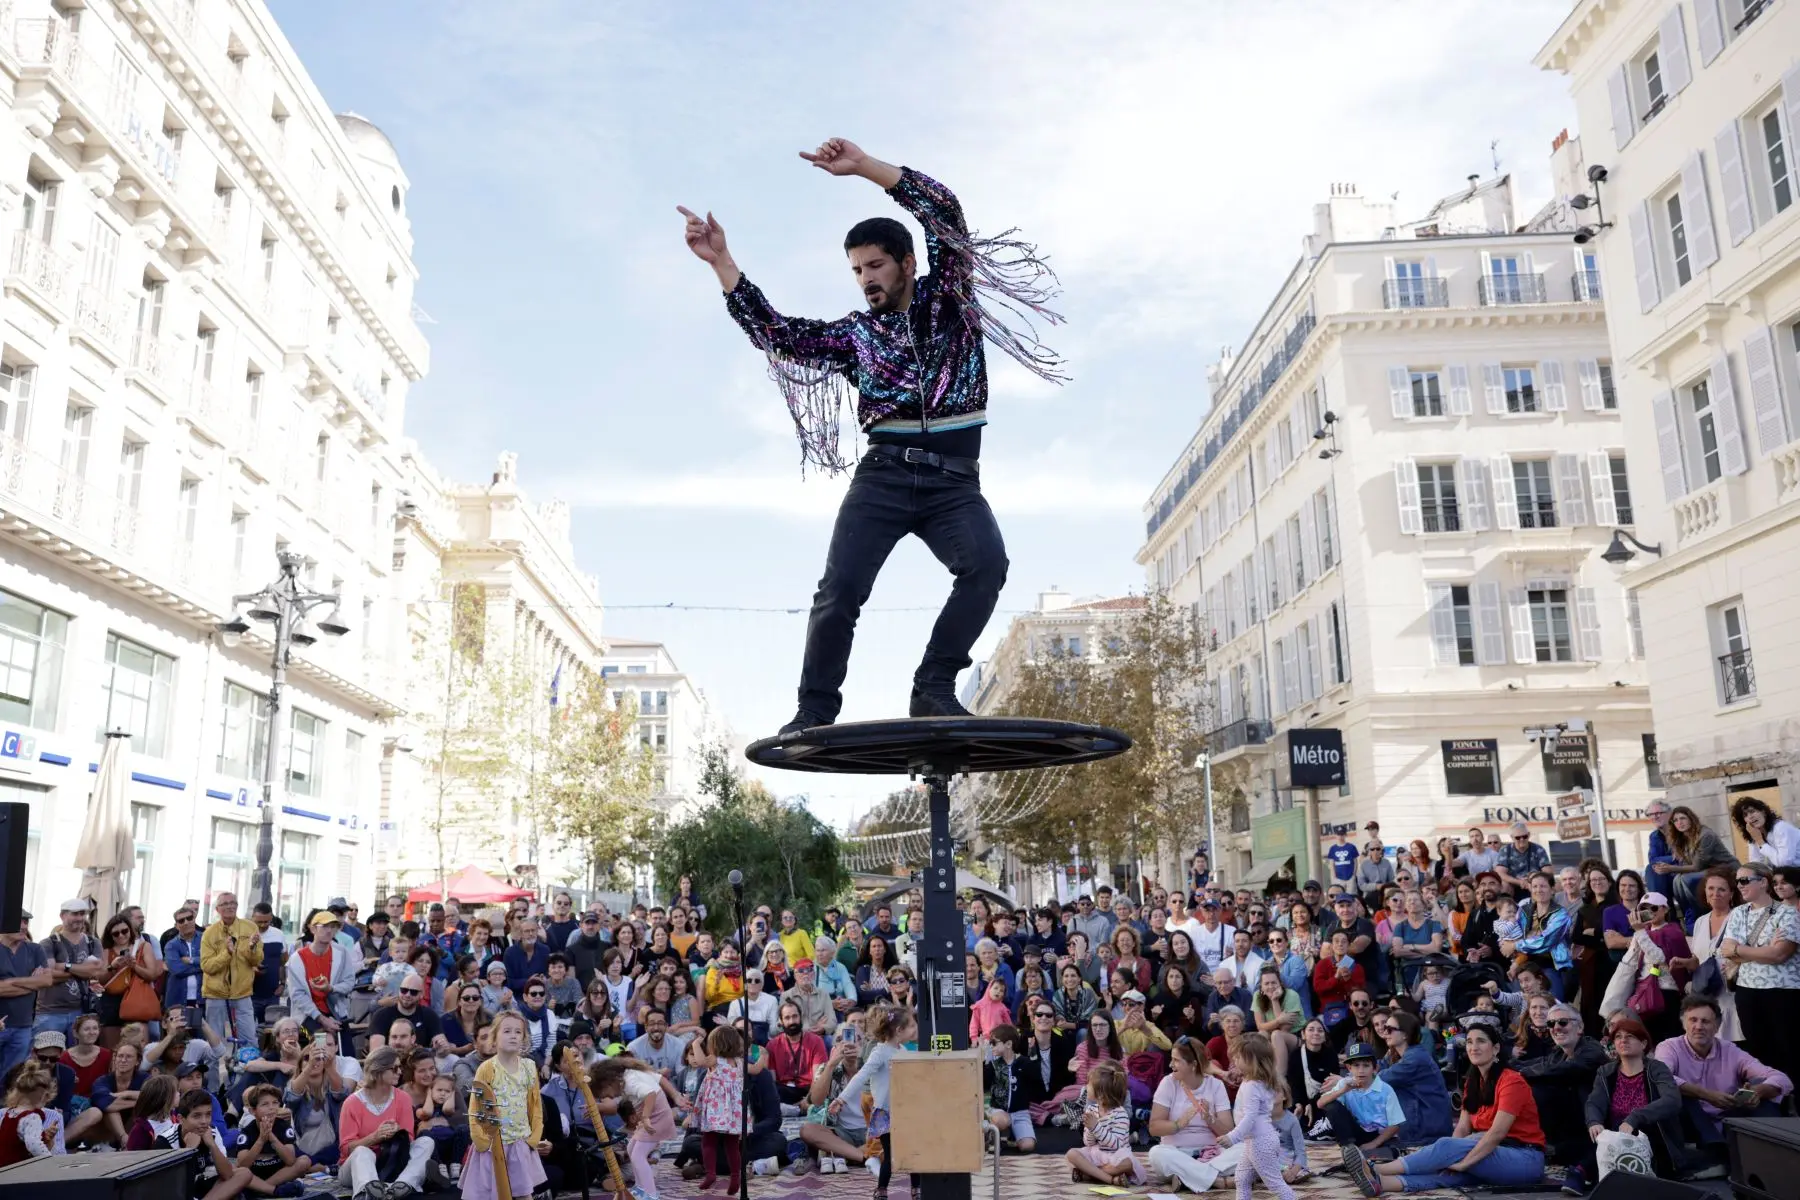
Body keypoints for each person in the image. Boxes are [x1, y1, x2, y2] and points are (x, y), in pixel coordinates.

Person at [684, 138, 1064, 733]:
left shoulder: (951, 301)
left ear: (908, 263)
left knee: (987, 566)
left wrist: (865, 168)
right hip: (884, 477)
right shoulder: (856, 335)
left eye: (876, 265)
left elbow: (945, 211)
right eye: (857, 270)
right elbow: (777, 334)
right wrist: (722, 264)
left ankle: (934, 686)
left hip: (954, 484)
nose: (866, 279)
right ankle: (815, 709)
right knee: (839, 592)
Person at [1343, 1021, 1546, 1195]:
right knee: (1451, 1173)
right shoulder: (1473, 1082)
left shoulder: (1512, 1081)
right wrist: (1448, 1160)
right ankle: (1382, 1183)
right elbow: (1463, 1128)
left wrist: (1461, 1160)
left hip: (1524, 1158)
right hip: (1495, 1152)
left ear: (1495, 1049)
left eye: (1481, 1041)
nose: (1473, 1047)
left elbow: (1497, 1133)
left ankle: (1376, 1169)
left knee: (1448, 1150)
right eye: (1469, 1042)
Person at [1655, 994, 1790, 1157]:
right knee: (1680, 1094)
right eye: (1693, 1020)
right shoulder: (1669, 1047)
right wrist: (1706, 1095)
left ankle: (1777, 1150)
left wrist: (1757, 1092)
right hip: (1689, 1123)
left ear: (1717, 1026)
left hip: (1726, 1119)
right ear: (1683, 1023)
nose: (1698, 1026)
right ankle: (1716, 1151)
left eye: (1706, 1021)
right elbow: (1662, 1079)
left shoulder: (1730, 1050)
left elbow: (1782, 1079)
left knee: (1764, 1091)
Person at [1573, 1017, 1689, 1194]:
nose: (1623, 1040)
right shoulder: (1606, 1071)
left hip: (1653, 1138)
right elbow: (1594, 1102)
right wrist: (1594, 1121)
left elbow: (1672, 1100)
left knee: (1636, 1130)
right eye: (1618, 1037)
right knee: (1601, 1132)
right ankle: (1585, 1172)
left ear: (1643, 1044)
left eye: (1630, 1036)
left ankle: (1583, 1171)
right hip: (1615, 1134)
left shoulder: (1657, 1069)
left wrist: (1635, 1117)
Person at [1720, 860, 1800, 1085]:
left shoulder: (1788, 913)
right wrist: (1762, 950)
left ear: (1764, 882)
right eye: (1737, 882)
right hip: (1748, 991)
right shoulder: (1737, 913)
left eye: (1745, 880)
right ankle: (1769, 1105)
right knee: (1758, 1051)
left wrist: (1741, 950)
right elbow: (1727, 951)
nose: (1740, 886)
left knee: (1789, 1051)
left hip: (1783, 991)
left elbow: (1780, 955)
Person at [1515, 1002, 1607, 1172]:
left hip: (1594, 1125)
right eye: (1551, 1024)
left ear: (1579, 1027)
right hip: (1569, 1125)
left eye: (1562, 1022)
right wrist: (1501, 1065)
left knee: (1539, 1091)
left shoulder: (1592, 1049)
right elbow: (1534, 1064)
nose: (1556, 1028)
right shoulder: (1559, 1053)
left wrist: (1522, 1074)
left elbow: (1565, 1070)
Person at [339, 1046, 432, 1199]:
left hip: (392, 1162)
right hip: (356, 1168)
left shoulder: (403, 1098)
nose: (400, 1072)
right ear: (378, 1071)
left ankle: (402, 1185)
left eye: (400, 1068)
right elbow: (346, 1150)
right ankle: (369, 1192)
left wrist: (397, 1133)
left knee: (426, 1142)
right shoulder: (352, 1103)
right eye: (395, 1068)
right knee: (363, 1152)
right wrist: (375, 1137)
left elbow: (409, 1139)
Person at [1144, 1036, 1236, 1191]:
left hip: (1212, 1154)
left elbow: (1228, 1132)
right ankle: (1217, 1181)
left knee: (1245, 1150)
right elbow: (1154, 1127)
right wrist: (1178, 1124)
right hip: (1176, 1153)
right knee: (1156, 1154)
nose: (1171, 1064)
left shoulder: (1216, 1085)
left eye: (1176, 1060)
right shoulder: (1168, 1083)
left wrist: (1210, 1119)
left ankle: (1190, 1175)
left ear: (1193, 1065)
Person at [588, 1055, 682, 1199]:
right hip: (652, 1116)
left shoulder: (630, 1081)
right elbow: (659, 1078)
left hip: (656, 1117)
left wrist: (645, 1117)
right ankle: (640, 1187)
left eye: (604, 1094)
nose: (609, 1097)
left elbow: (650, 1094)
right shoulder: (630, 1074)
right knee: (632, 1149)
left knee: (638, 1155)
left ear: (608, 1083)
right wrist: (675, 1096)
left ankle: (650, 1194)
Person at [799, 1020, 872, 1174]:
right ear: (835, 1046)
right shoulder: (827, 1067)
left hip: (871, 1132)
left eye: (856, 1039)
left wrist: (860, 1062)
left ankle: (847, 1154)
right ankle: (864, 1157)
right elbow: (816, 1101)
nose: (849, 1044)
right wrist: (831, 1065)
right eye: (841, 1039)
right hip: (841, 1132)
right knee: (808, 1130)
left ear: (865, 1044)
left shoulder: (873, 1065)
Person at [1377, 1011, 1453, 1144]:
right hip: (1420, 1129)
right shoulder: (1400, 1053)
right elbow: (1377, 1066)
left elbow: (1380, 1079)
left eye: (1389, 1029)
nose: (1384, 1033)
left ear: (1405, 1034)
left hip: (1427, 1133)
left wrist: (1346, 1081)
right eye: (1384, 1029)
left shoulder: (1415, 1058)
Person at [1314, 1039, 1404, 1149]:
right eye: (1356, 1065)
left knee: (1392, 1152)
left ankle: (1372, 1152)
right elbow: (1320, 1103)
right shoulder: (1345, 1083)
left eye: (1366, 1065)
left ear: (1374, 1068)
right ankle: (1348, 1147)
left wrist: (1373, 1144)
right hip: (1357, 1133)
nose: (1361, 1070)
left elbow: (1395, 1124)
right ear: (1349, 1068)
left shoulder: (1386, 1089)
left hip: (1381, 1136)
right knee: (1333, 1105)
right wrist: (1343, 1090)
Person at [1065, 1058, 1142, 1186]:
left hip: (1115, 1156)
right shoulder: (1091, 1109)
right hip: (1096, 1153)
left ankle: (1091, 1174)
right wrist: (1090, 1129)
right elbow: (1088, 1143)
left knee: (1128, 1163)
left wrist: (1096, 1128)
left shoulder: (1120, 1113)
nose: (1086, 1087)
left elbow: (1116, 1144)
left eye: (1089, 1084)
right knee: (1071, 1154)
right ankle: (1110, 1179)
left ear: (1101, 1093)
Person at [199, 894, 261, 1050]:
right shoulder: (209, 933)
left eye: (233, 902)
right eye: (225, 903)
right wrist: (227, 953)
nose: (229, 906)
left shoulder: (250, 927)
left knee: (249, 1042)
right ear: (217, 909)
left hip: (243, 992)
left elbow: (256, 961)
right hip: (216, 994)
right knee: (215, 1044)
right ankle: (212, 1075)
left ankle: (246, 1073)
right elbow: (207, 966)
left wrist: (252, 948)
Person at [1687, 868, 1743, 1042]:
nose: (1715, 893)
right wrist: (1686, 963)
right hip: (1707, 999)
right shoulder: (1700, 922)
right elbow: (1697, 958)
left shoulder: (1739, 917)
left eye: (1722, 889)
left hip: (1733, 996)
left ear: (1732, 893)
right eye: (1710, 888)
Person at [693, 1021, 748, 1191]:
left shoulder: (714, 1060)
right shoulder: (739, 1062)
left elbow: (700, 1061)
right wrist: (762, 1058)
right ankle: (735, 1176)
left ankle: (710, 1173)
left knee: (708, 1140)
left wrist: (695, 1043)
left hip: (715, 1108)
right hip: (733, 1110)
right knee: (732, 1144)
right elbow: (755, 1069)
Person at [37, 899, 104, 1041]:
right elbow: (49, 976)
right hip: (50, 1012)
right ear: (62, 916)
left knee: (76, 1058)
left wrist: (65, 966)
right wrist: (83, 970)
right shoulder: (48, 943)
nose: (79, 918)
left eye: (82, 914)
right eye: (74, 914)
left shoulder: (93, 943)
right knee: (45, 1057)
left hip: (81, 1011)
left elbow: (96, 972)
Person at [1655, 806, 1739, 915]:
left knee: (1687, 879)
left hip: (1727, 869)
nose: (1679, 822)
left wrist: (1670, 868)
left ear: (1691, 818)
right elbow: (1688, 864)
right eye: (1675, 820)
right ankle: (1688, 914)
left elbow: (1696, 866)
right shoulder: (1681, 838)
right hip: (1708, 869)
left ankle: (1700, 912)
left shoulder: (1705, 835)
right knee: (1677, 880)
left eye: (1683, 818)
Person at [234, 1082, 313, 1194]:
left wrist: (271, 1136)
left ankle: (263, 1189)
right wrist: (261, 1140)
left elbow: (290, 1160)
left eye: (275, 1103)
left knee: (304, 1161)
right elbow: (244, 1164)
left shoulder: (284, 1126)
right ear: (253, 1111)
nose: (271, 1108)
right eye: (265, 1104)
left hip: (279, 1173)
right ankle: (270, 1189)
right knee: (235, 1170)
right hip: (255, 1173)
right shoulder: (247, 1131)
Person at [0, 911, 50, 1079]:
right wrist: (31, 983)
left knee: (12, 1076)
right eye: (18, 922)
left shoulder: (35, 949)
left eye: (26, 922)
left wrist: (9, 983)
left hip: (23, 1025)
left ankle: (6, 1106)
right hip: (1, 1023)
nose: (23, 926)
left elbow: (47, 980)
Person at [0, 1058, 60, 1166]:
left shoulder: (8, 1114)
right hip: (20, 1171)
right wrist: (51, 1162)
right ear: (43, 1096)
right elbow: (34, 1145)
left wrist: (44, 1135)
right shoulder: (32, 1117)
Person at [1735, 797, 1800, 868]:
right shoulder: (1754, 833)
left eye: (1752, 811)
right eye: (1745, 815)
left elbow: (1784, 863)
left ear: (1763, 812)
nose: (1750, 816)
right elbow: (1755, 863)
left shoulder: (1781, 827)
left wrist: (1760, 842)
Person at [1495, 823, 1550, 899]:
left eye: (1524, 836)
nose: (1522, 839)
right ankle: (1507, 908)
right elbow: (1500, 873)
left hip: (1533, 882)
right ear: (1512, 837)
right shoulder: (1505, 850)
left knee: (1554, 885)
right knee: (1504, 886)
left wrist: (1533, 879)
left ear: (1529, 835)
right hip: (1513, 884)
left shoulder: (1538, 849)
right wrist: (1519, 882)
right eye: (1518, 837)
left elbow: (1548, 872)